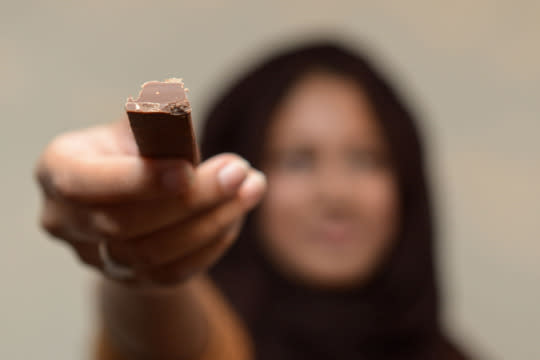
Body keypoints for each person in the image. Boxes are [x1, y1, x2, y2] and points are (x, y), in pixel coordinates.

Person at [36, 41, 471, 360]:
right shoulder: (221, 342)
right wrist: (143, 264)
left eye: (366, 160)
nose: (337, 194)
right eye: (298, 161)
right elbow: (162, 334)